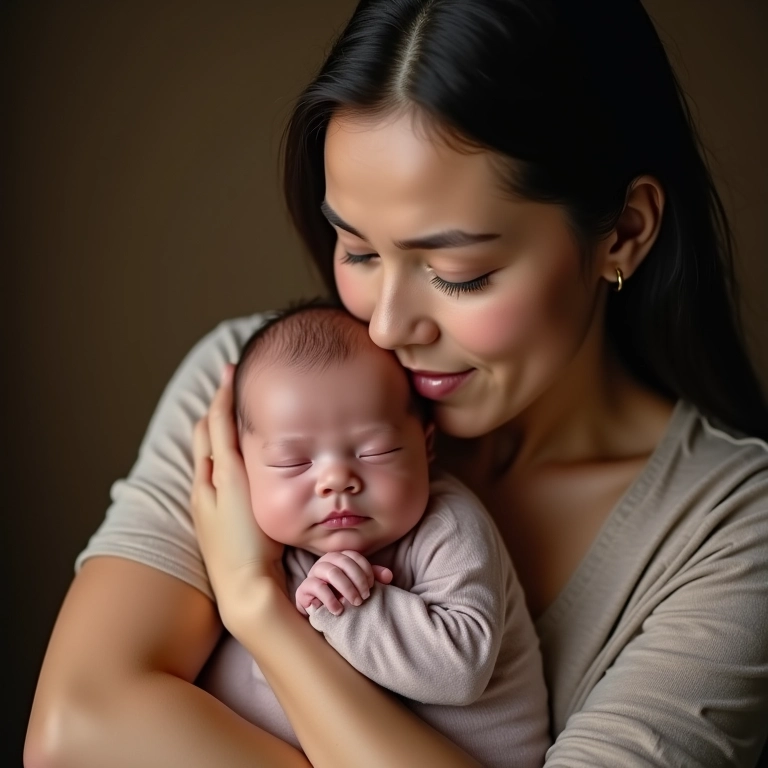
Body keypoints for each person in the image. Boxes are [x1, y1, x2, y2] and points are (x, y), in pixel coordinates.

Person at [26, 0, 768, 766]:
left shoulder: (733, 533)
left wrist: (260, 609)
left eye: (459, 274)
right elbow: (74, 731)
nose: (386, 328)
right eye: (358, 251)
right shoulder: (254, 386)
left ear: (624, 232)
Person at [196, 301, 549, 768]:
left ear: (425, 448)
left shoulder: (448, 525)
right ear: (240, 464)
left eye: (374, 451)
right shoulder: (250, 534)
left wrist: (349, 608)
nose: (336, 480)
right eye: (293, 462)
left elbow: (460, 671)